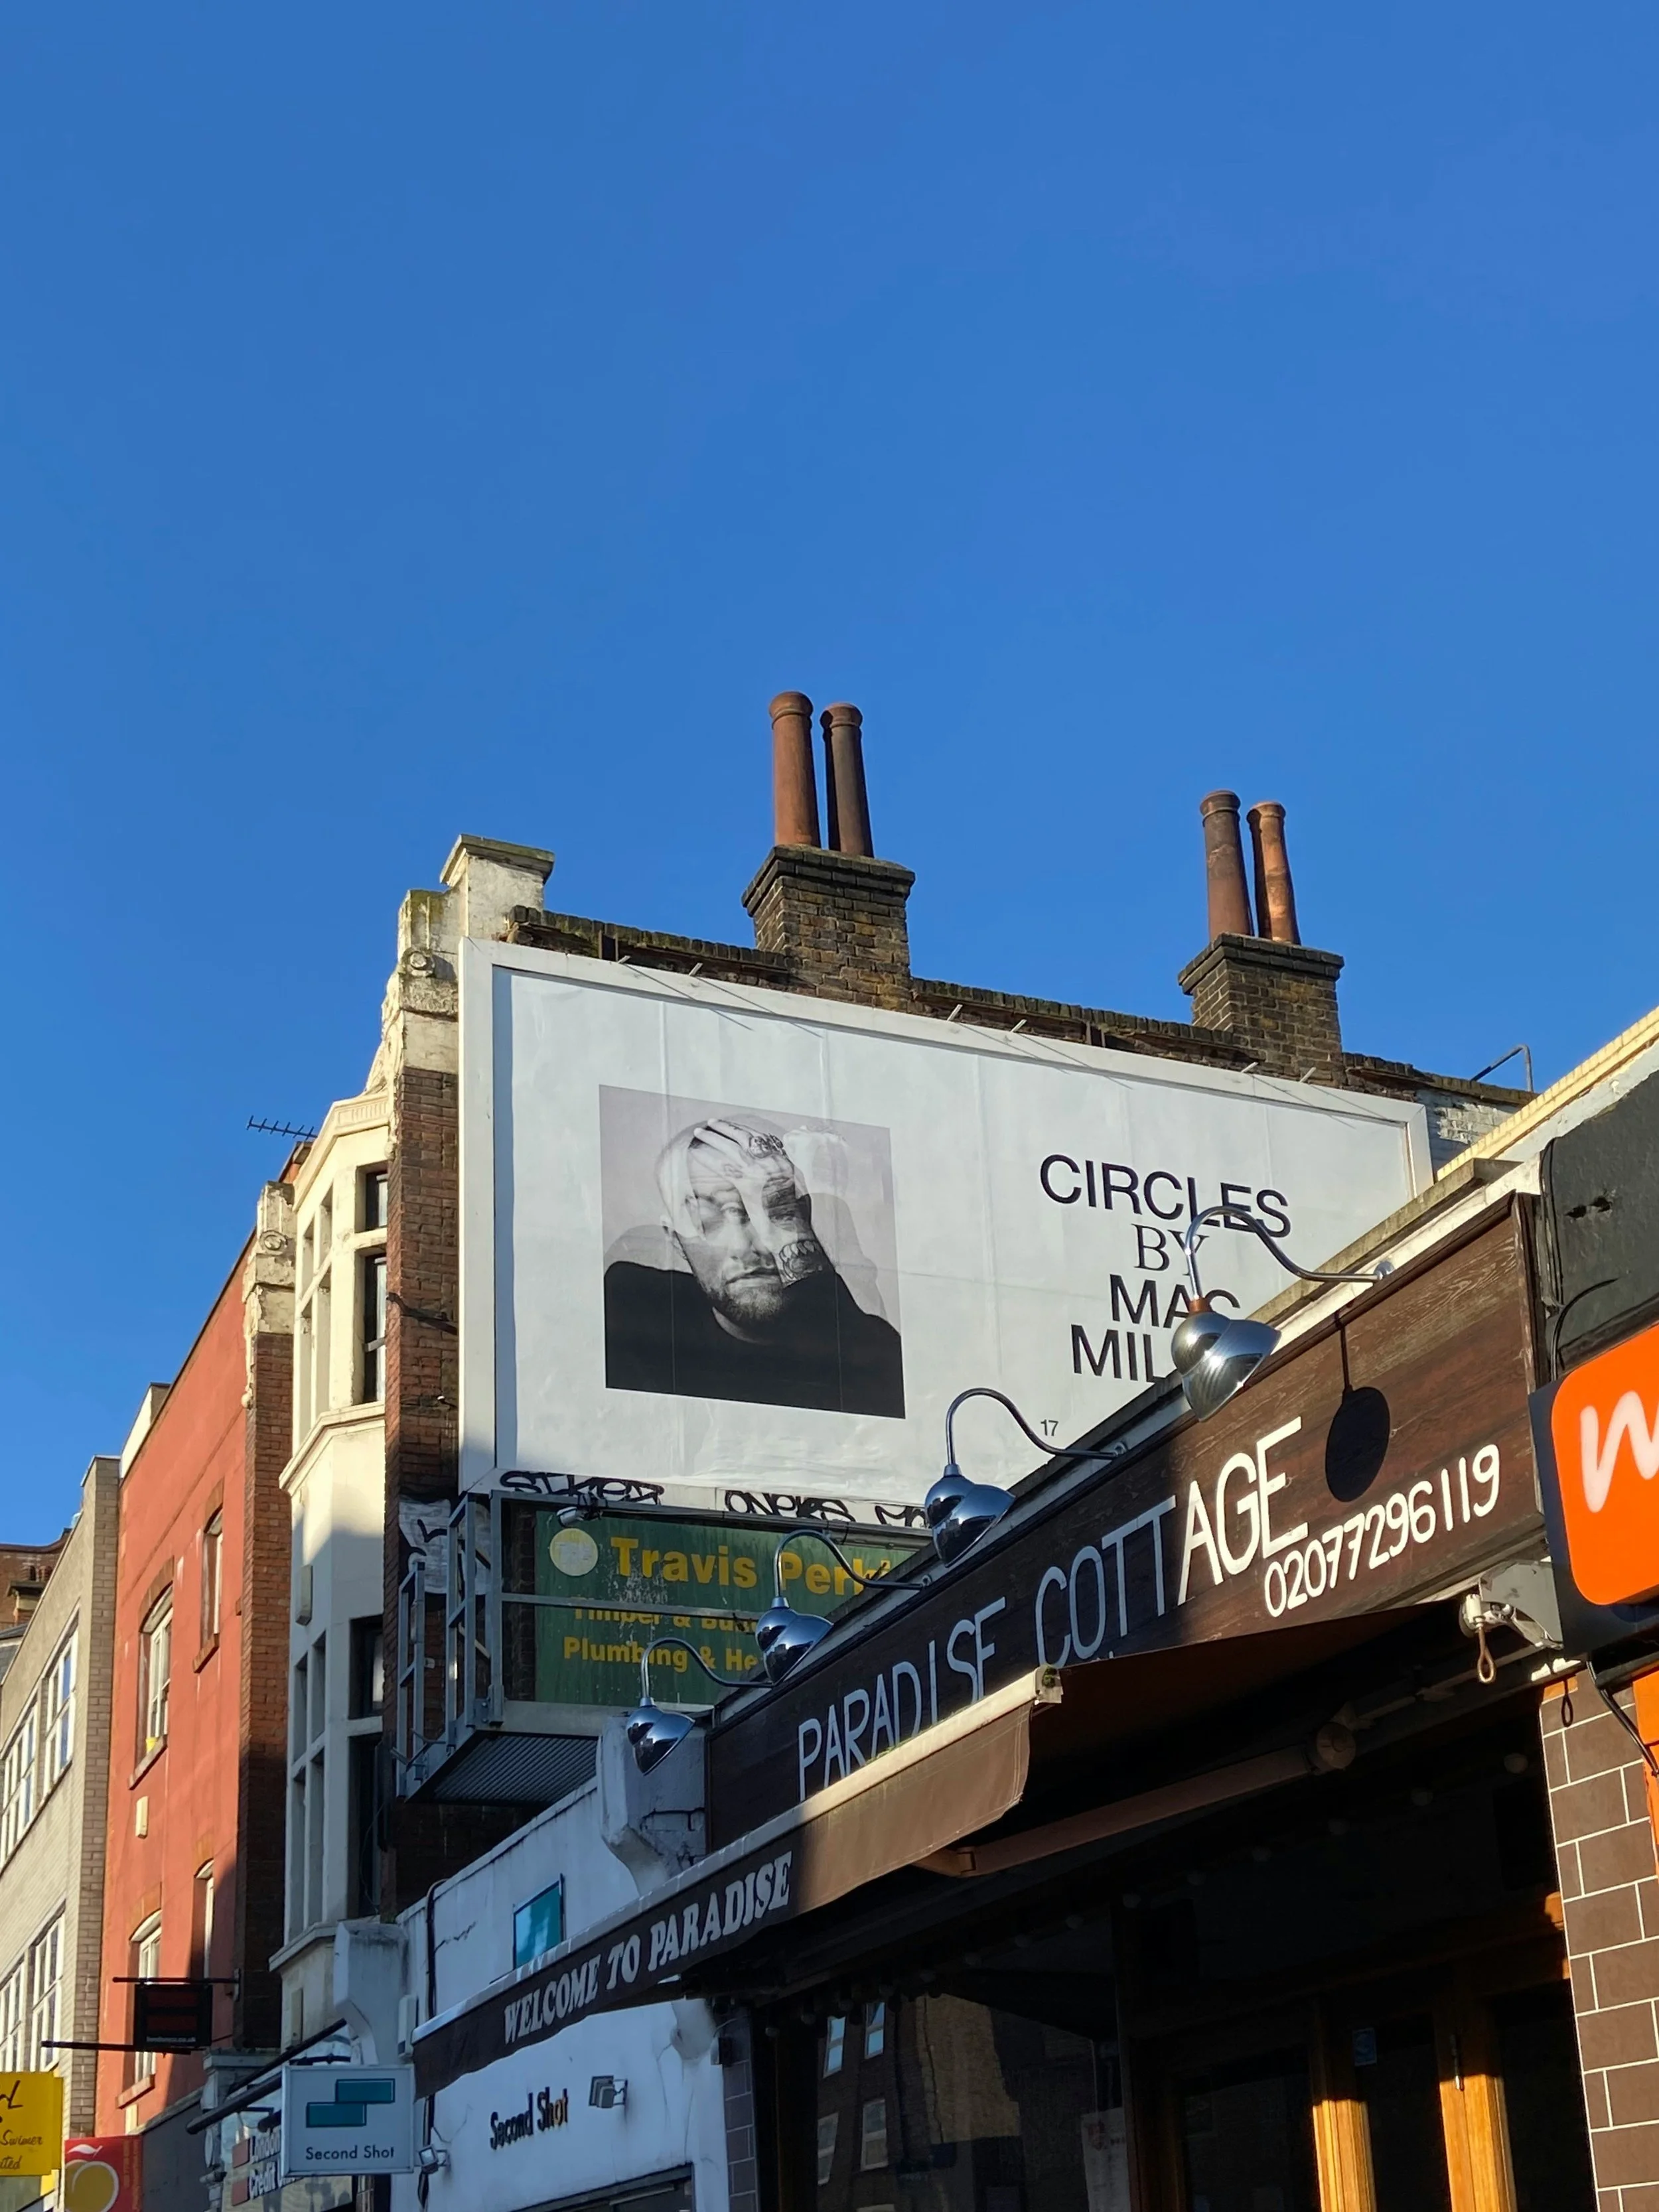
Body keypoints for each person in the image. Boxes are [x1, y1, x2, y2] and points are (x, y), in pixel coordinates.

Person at [604, 1115, 905, 1417]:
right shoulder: (634, 1309)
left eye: (771, 1211)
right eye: (706, 1218)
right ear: (675, 1240)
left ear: (803, 1220)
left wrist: (783, 1211)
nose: (743, 1247)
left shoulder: (872, 1349)